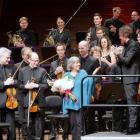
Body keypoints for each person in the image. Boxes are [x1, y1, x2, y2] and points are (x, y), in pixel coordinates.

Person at [114, 25, 140, 134]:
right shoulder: (126, 46)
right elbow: (121, 62)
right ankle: (130, 125)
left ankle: (132, 127)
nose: (119, 38)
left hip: (131, 78)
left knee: (131, 103)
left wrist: (118, 54)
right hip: (126, 78)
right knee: (128, 103)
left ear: (125, 35)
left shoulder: (134, 45)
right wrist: (117, 56)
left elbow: (127, 61)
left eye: (120, 36)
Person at [61, 56, 93, 140]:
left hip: (80, 103)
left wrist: (92, 77)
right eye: (76, 63)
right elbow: (63, 90)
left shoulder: (83, 73)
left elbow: (89, 82)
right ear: (71, 64)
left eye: (79, 62)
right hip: (71, 103)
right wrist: (63, 90)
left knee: (80, 124)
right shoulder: (66, 75)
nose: (79, 64)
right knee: (73, 124)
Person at [18, 52, 48, 140]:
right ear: (29, 60)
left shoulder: (42, 71)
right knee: (29, 125)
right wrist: (25, 86)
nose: (36, 62)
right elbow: (19, 85)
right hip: (27, 102)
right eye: (34, 60)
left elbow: (46, 85)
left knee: (40, 126)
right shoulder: (22, 70)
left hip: (39, 102)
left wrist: (37, 85)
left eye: (37, 60)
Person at [49, 42, 69, 140]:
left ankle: (65, 134)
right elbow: (50, 77)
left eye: (62, 50)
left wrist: (64, 72)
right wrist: (55, 73)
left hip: (66, 92)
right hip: (56, 92)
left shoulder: (69, 62)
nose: (60, 52)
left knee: (65, 113)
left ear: (64, 50)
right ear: (56, 51)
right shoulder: (53, 64)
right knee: (54, 112)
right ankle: (53, 133)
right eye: (58, 50)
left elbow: (72, 76)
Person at [0, 47, 17, 140]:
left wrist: (13, 82)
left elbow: (18, 81)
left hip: (10, 101)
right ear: (0, 57)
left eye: (9, 57)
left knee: (11, 127)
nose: (9, 59)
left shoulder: (11, 68)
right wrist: (4, 83)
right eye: (7, 58)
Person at [15, 47, 32, 139]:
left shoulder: (33, 64)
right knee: (23, 118)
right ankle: (25, 136)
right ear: (22, 56)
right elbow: (15, 82)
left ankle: (31, 135)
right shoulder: (16, 66)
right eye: (27, 55)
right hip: (21, 95)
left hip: (31, 95)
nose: (29, 56)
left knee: (30, 117)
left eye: (31, 54)